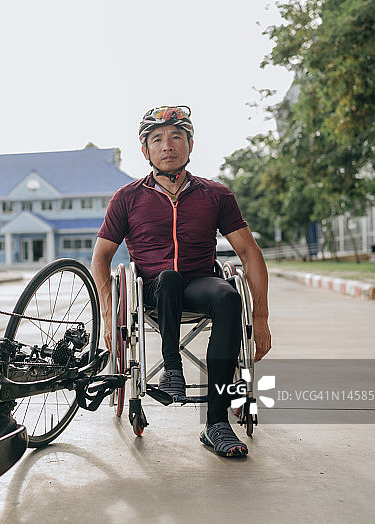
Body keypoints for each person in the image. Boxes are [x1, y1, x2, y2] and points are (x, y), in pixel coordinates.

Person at [90, 105, 271, 457]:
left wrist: (260, 319)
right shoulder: (127, 198)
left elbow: (249, 253)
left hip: (199, 283)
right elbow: (100, 260)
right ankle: (171, 369)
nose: (167, 145)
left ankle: (217, 424)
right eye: (157, 139)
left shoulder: (216, 195)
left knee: (229, 296)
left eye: (176, 137)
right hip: (153, 291)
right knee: (169, 278)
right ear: (145, 151)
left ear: (190, 145)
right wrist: (110, 316)